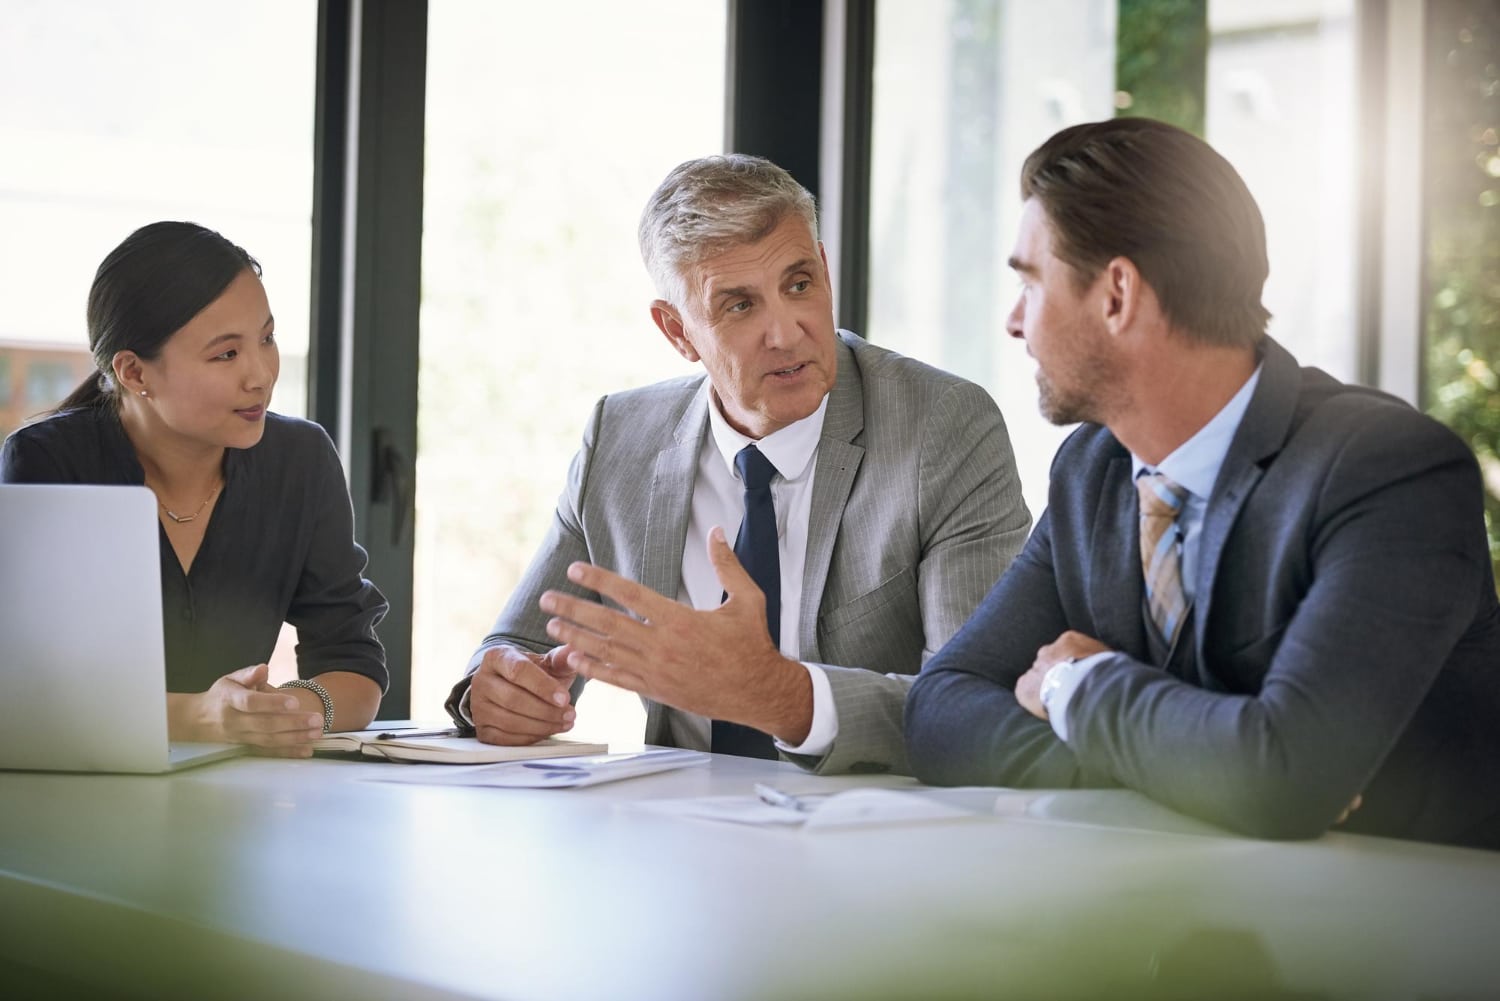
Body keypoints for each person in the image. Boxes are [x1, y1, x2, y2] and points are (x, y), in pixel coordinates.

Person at [904, 117, 1500, 849]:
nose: (1014, 320)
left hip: (1401, 936)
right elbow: (939, 707)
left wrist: (1072, 687)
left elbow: (1283, 779)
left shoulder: (1392, 472)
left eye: (1031, 279)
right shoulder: (1091, 470)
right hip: (1190, 922)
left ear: (1117, 293)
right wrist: (1196, 766)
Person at [446, 154, 1031, 774]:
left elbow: (977, 708)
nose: (786, 332)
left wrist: (780, 697)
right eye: (739, 306)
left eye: (799, 284)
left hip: (872, 838)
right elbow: (517, 648)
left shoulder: (943, 426)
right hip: (684, 838)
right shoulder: (619, 439)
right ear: (677, 331)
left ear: (825, 270)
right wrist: (502, 692)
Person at [1, 221, 388, 756]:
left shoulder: (301, 460)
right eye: (226, 354)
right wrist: (203, 715)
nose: (260, 375)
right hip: (81, 794)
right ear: (135, 372)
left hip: (243, 804)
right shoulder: (48, 461)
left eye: (267, 338)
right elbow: (30, 692)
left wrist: (287, 709)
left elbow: (354, 662)